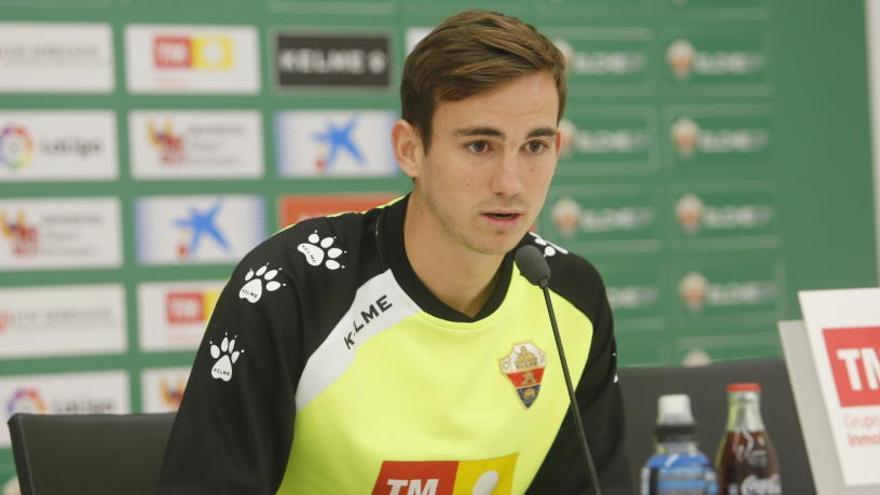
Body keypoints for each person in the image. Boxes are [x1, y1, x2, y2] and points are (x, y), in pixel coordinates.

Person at [157, 9, 632, 494]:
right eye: (479, 146)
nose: (510, 184)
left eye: (534, 146)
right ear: (409, 148)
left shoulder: (570, 296)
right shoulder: (288, 286)